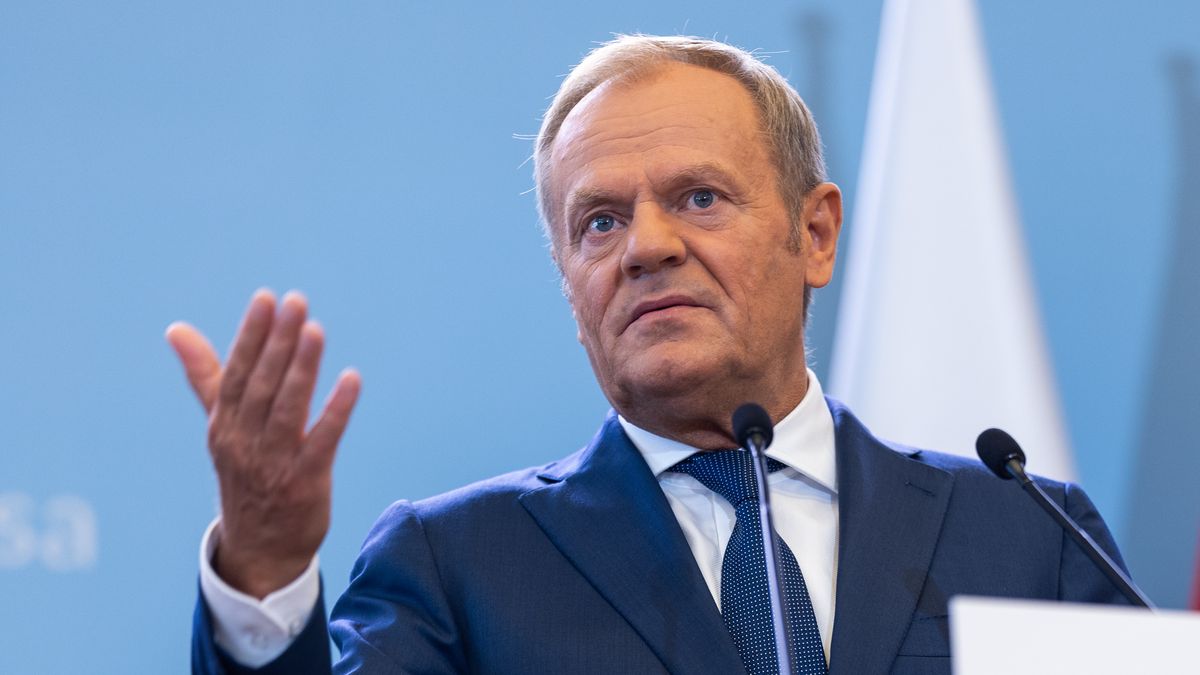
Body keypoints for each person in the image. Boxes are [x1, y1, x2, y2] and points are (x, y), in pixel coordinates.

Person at [171, 35, 1130, 675]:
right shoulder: (458, 568)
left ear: (817, 234)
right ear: (570, 285)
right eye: (599, 221)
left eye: (700, 198)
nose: (647, 246)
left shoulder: (1027, 534)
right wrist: (263, 575)